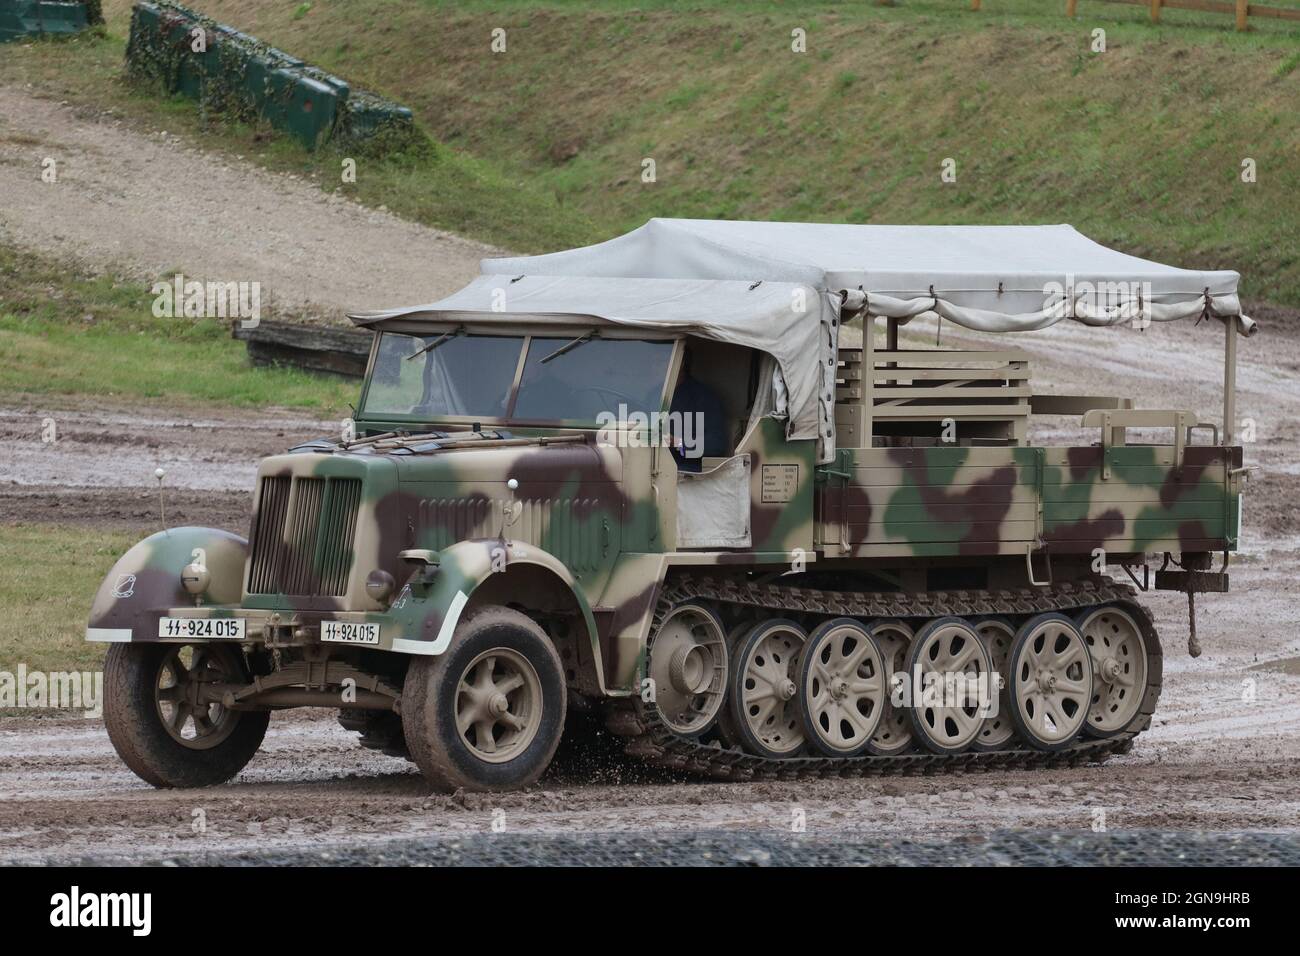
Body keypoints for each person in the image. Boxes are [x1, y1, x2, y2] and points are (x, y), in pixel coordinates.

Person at [669, 350, 729, 471]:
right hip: (651, 470)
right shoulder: (654, 395)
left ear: (681, 362)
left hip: (687, 474)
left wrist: (677, 442)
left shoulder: (703, 397)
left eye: (660, 360)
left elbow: (716, 444)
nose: (654, 365)